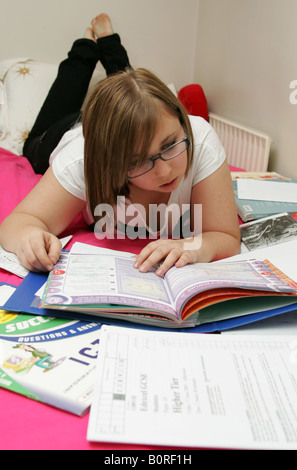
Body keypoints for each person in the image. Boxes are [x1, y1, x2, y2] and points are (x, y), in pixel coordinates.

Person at [0, 14, 240, 276]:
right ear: (110, 163)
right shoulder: (79, 159)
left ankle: (109, 42)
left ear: (182, 119)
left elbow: (226, 237)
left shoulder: (199, 137)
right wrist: (29, 237)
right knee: (34, 141)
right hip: (60, 133)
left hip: (125, 123)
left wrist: (195, 248)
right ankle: (84, 49)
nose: (165, 172)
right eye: (137, 161)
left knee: (134, 92)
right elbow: (19, 223)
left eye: (170, 144)